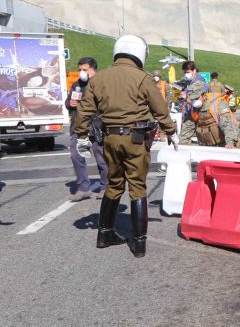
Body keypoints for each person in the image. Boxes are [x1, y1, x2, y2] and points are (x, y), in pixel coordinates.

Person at [75, 35, 177, 258]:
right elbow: (159, 108)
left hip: (109, 139)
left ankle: (104, 234)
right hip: (135, 138)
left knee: (113, 184)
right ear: (139, 53)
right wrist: (170, 130)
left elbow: (84, 109)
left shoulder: (99, 78)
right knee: (137, 187)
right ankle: (139, 243)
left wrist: (82, 136)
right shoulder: (143, 78)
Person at [65, 58, 108, 202]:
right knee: (76, 156)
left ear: (92, 69)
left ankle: (105, 187)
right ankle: (83, 188)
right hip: (79, 127)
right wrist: (70, 103)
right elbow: (68, 102)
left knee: (101, 158)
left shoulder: (101, 83)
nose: (81, 72)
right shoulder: (77, 85)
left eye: (84, 69)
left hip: (96, 127)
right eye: (80, 69)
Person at [178, 61, 208, 145]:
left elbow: (193, 97)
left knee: (205, 140)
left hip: (202, 114)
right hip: (191, 113)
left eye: (188, 72)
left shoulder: (200, 82)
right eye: (184, 72)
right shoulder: (187, 81)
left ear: (194, 70)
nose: (186, 74)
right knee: (183, 140)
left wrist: (184, 96)